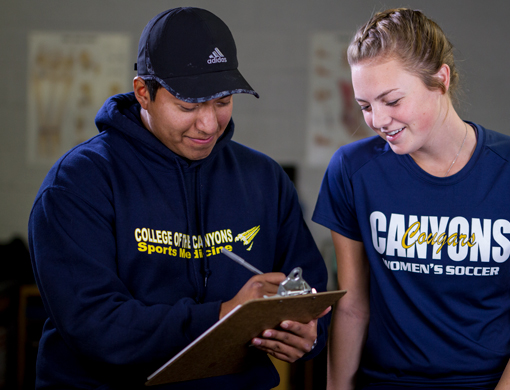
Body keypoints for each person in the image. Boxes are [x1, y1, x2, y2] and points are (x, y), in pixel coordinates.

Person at [28, 7, 329, 390]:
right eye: (188, 106)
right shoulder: (77, 183)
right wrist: (221, 316)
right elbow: (95, 325)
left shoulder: (264, 179)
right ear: (143, 93)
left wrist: (310, 331)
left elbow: (310, 291)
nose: (208, 124)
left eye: (222, 102)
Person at [312, 8, 510, 390]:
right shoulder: (352, 171)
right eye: (366, 106)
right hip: (393, 381)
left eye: (392, 100)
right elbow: (353, 307)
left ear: (440, 79)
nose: (379, 120)